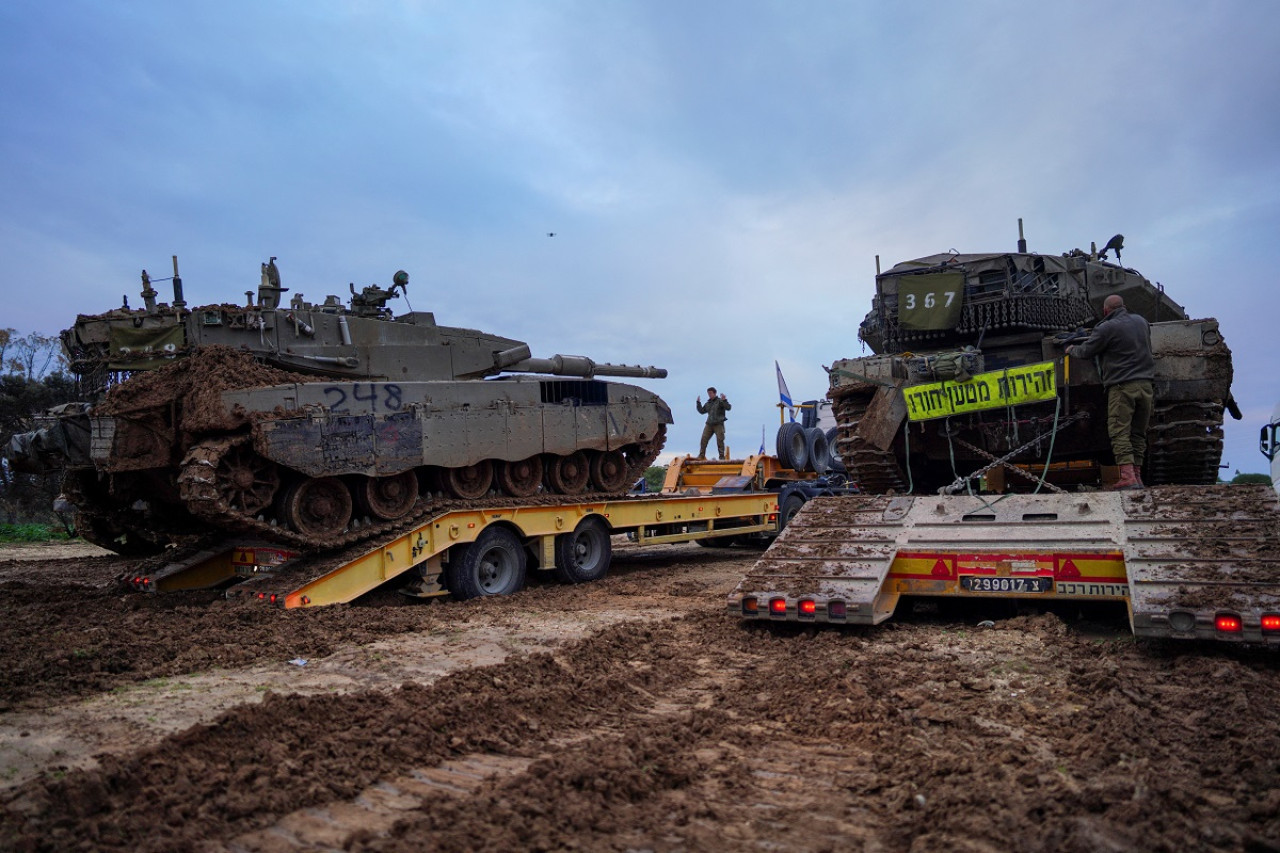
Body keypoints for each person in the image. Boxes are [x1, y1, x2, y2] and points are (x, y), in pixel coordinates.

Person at [1066, 294, 1154, 489]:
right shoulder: (1141, 321)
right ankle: (1137, 477)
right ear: (1124, 306)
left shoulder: (1106, 328)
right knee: (1138, 433)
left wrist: (1071, 349)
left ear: (1106, 311)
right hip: (1146, 385)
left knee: (1119, 431)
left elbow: (1087, 351)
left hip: (1122, 387)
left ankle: (1127, 477)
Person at [696, 387, 731, 459]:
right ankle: (701, 455)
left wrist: (724, 400)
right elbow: (702, 411)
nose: (709, 395)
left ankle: (721, 457)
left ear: (715, 393)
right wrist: (698, 403)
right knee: (703, 439)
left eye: (710, 393)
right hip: (709, 424)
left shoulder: (720, 401)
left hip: (718, 424)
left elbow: (728, 407)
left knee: (720, 440)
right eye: (708, 393)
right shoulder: (708, 403)